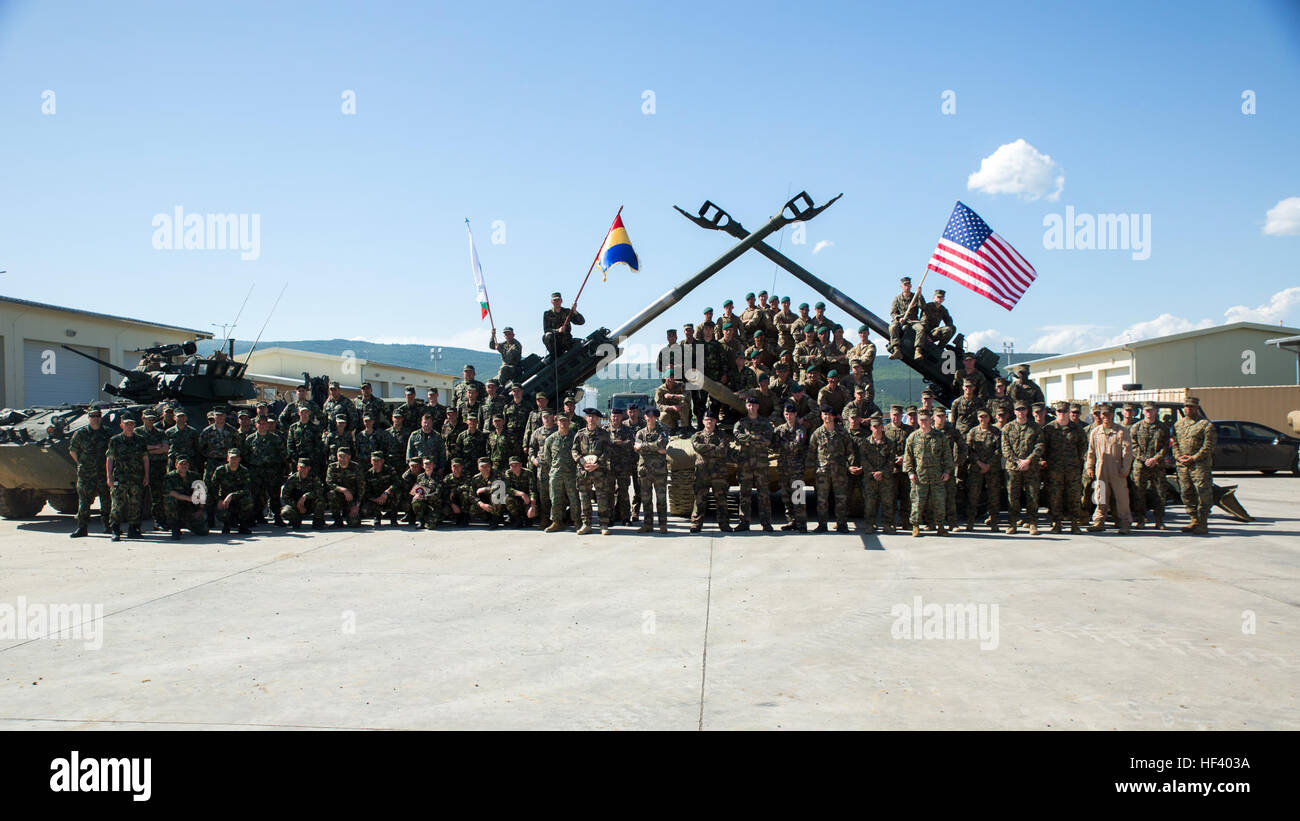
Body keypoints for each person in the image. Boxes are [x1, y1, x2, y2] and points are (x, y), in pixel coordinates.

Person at [1085, 404, 1135, 533]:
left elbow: (1128, 452)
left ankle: (1125, 523)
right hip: (1100, 468)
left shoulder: (1121, 431)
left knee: (1121, 497)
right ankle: (1099, 521)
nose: (1105, 417)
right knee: (1100, 495)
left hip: (1117, 468)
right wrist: (1089, 467)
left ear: (1113, 414)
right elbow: (1091, 452)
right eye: (1103, 414)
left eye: (1108, 414)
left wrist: (1125, 469)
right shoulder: (1096, 432)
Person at [902, 410, 953, 537]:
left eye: (926, 419)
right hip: (920, 477)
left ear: (931, 420)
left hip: (937, 476)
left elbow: (947, 455)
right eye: (921, 420)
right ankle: (915, 526)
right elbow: (908, 457)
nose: (923, 422)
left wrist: (947, 471)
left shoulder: (940, 436)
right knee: (917, 502)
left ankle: (940, 526)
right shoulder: (913, 437)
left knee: (939, 502)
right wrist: (910, 472)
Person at [1172, 396, 1216, 534]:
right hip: (1183, 466)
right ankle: (1193, 520)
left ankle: (1203, 522)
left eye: (1191, 406)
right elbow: (1174, 444)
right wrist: (1178, 456)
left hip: (1199, 466)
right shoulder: (1178, 425)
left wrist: (1194, 458)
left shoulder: (1205, 425)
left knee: (1203, 493)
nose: (1188, 409)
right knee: (1186, 492)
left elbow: (1208, 446)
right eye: (1186, 406)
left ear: (1197, 408)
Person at [1043, 401, 1087, 533]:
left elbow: (1083, 448)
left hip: (1072, 469)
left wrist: (1079, 463)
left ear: (1069, 412)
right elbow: (1043, 448)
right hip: (1054, 470)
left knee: (1074, 497)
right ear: (1056, 413)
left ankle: (1074, 524)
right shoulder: (1048, 429)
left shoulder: (1077, 429)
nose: (1062, 414)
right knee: (1055, 497)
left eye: (1064, 411)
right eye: (1059, 411)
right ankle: (1057, 523)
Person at [732, 395, 774, 531]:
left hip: (761, 463)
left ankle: (766, 522)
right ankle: (744, 522)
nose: (752, 407)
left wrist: (749, 440)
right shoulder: (740, 423)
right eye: (749, 405)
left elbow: (768, 440)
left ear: (758, 407)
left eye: (754, 405)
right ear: (746, 406)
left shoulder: (765, 422)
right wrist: (754, 437)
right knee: (744, 494)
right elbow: (738, 437)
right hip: (745, 464)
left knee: (764, 494)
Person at [69, 407, 112, 538]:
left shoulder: (107, 433)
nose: (96, 418)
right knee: (84, 501)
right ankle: (82, 528)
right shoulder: (80, 434)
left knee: (106, 501)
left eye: (98, 416)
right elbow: (73, 450)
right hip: (86, 474)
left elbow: (112, 451)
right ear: (88, 418)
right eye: (93, 416)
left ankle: (108, 526)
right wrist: (81, 463)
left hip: (103, 472)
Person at [1001, 400, 1043, 535]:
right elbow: (1005, 448)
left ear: (1027, 411)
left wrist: (1028, 460)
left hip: (1031, 468)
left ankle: (1033, 524)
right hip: (1013, 467)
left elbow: (1040, 446)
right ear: (1014, 412)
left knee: (1032, 496)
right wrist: (1017, 461)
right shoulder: (1007, 428)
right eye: (1018, 410)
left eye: (1023, 409)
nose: (1021, 412)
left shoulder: (1035, 428)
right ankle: (1012, 524)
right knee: (1012, 496)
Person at [106, 414, 149, 541]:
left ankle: (133, 529)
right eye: (127, 424)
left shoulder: (140, 440)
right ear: (121, 425)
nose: (129, 426)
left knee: (135, 504)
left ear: (134, 426)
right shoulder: (115, 440)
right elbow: (110, 458)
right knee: (117, 504)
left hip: (136, 477)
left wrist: (146, 475)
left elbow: (145, 458)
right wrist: (109, 476)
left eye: (131, 424)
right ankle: (115, 529)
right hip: (120, 477)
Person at [572, 407, 614, 535]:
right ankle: (586, 524)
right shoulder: (580, 434)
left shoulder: (604, 434)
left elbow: (608, 451)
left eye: (594, 417)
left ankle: (603, 524)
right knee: (584, 498)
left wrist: (598, 463)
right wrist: (583, 463)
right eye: (589, 416)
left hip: (599, 471)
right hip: (584, 471)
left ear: (597, 419)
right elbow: (574, 451)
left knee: (602, 497)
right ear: (586, 418)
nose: (591, 419)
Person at [808, 405, 851, 532]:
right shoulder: (817, 433)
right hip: (822, 472)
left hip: (839, 471)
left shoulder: (842, 432)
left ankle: (842, 524)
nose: (827, 417)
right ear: (822, 416)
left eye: (829, 415)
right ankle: (822, 524)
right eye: (825, 414)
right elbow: (811, 452)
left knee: (841, 499)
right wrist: (811, 470)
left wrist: (849, 466)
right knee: (822, 499)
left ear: (833, 416)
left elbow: (850, 451)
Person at [1129, 401, 1170, 529]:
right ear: (1143, 411)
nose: (1149, 412)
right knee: (1139, 493)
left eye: (1151, 410)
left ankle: (1159, 520)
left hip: (1157, 465)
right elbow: (1132, 445)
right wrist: (1145, 459)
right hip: (1140, 465)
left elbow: (1166, 446)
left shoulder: (1162, 427)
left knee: (1159, 492)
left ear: (1155, 411)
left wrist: (1155, 459)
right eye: (1146, 410)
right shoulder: (1136, 427)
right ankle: (1141, 519)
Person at [689, 410, 731, 533]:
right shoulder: (697, 436)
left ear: (715, 421)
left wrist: (706, 449)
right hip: (702, 473)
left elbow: (722, 451)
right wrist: (714, 448)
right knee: (699, 499)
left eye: (712, 420)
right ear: (703, 421)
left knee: (721, 499)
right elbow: (697, 446)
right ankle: (696, 524)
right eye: (707, 420)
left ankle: (724, 525)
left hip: (718, 472)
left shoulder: (722, 436)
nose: (709, 422)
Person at [771, 402, 808, 531]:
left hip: (796, 468)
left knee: (798, 497)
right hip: (783, 468)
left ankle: (802, 524)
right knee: (786, 497)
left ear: (796, 414)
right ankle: (792, 521)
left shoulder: (801, 430)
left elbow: (796, 445)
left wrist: (782, 443)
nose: (789, 416)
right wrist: (783, 444)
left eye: (791, 414)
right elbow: (773, 446)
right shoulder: (779, 429)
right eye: (786, 414)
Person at [633, 407, 669, 533]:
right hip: (645, 471)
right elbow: (636, 448)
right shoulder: (640, 433)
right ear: (645, 417)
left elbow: (661, 445)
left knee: (661, 499)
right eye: (649, 416)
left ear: (656, 418)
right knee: (646, 500)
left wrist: (643, 446)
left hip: (659, 471)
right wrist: (655, 448)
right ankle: (648, 524)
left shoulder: (662, 431)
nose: (651, 419)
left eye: (653, 416)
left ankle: (663, 525)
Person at [964, 408, 1002, 531]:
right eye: (980, 417)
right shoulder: (973, 432)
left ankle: (994, 521)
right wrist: (980, 463)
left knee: (994, 496)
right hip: (977, 469)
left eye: (985, 416)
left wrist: (988, 465)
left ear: (989, 418)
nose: (983, 419)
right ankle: (970, 522)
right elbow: (969, 450)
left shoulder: (996, 432)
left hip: (992, 469)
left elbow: (999, 450)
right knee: (973, 496)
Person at [542, 415, 580, 533]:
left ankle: (577, 522)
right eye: (561, 421)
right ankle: (557, 522)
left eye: (566, 421)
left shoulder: (575, 437)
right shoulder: (551, 439)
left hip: (571, 474)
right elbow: (547, 457)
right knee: (555, 498)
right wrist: (556, 467)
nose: (563, 423)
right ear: (556, 422)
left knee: (574, 498)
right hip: (556, 473)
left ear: (569, 422)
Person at [163, 456, 210, 539]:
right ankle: (175, 528)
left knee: (203, 531)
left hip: (190, 508)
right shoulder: (169, 477)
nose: (184, 466)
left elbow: (202, 492)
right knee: (169, 499)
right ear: (176, 465)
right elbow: (170, 492)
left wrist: (200, 509)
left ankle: (187, 523)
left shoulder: (194, 476)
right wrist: (188, 498)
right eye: (181, 464)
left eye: (186, 464)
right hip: (177, 507)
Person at [211, 448, 255, 535]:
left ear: (239, 459)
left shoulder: (244, 471)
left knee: (248, 500)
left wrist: (232, 495)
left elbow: (247, 489)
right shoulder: (220, 470)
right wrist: (218, 499)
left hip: (239, 498)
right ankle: (226, 525)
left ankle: (243, 525)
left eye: (236, 458)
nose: (234, 460)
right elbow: (213, 487)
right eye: (231, 458)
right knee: (212, 502)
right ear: (227, 458)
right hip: (224, 499)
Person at [280, 458, 326, 530]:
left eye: (305, 468)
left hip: (310, 504)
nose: (303, 470)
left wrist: (305, 496)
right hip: (296, 505)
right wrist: (298, 505)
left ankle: (318, 521)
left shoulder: (314, 478)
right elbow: (285, 496)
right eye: (301, 467)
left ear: (309, 468)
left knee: (321, 501)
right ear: (297, 467)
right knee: (285, 512)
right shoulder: (292, 479)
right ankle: (296, 520)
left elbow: (319, 492)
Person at [326, 447, 364, 528]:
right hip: (338, 496)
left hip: (352, 498)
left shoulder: (356, 467)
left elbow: (361, 487)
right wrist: (344, 490)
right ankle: (337, 520)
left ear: (349, 457)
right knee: (331, 494)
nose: (342, 459)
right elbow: (329, 482)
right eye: (340, 456)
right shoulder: (332, 467)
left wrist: (357, 505)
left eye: (345, 456)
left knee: (354, 524)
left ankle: (349, 515)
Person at [913, 289, 956, 360]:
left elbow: (949, 322)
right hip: (925, 332)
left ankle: (940, 348)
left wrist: (949, 327)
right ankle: (918, 351)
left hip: (934, 333)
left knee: (952, 328)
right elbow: (924, 322)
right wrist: (926, 335)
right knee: (947, 329)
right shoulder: (928, 306)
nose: (940, 299)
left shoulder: (943, 310)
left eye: (941, 298)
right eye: (938, 297)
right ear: (934, 297)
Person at [888, 276, 924, 359]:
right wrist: (898, 318)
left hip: (913, 320)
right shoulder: (897, 298)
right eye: (905, 285)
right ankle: (896, 349)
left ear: (911, 286)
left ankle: (918, 351)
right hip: (901, 319)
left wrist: (919, 295)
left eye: (908, 284)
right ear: (901, 286)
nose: (907, 286)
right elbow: (893, 313)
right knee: (892, 327)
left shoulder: (915, 297)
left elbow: (923, 307)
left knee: (921, 329)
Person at [362, 451, 401, 527]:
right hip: (376, 498)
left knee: (397, 492)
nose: (376, 463)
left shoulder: (390, 470)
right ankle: (377, 517)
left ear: (382, 461)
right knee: (365, 507)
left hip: (388, 496)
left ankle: (393, 519)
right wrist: (375, 499)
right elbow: (366, 490)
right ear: (371, 461)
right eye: (374, 460)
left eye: (378, 460)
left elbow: (397, 483)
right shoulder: (368, 474)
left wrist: (386, 492)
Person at [542, 291, 585, 356]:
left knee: (584, 345)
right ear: (551, 302)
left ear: (561, 301)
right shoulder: (547, 314)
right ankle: (554, 356)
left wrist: (574, 311)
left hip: (568, 340)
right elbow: (546, 330)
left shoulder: (567, 311)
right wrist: (557, 330)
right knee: (547, 336)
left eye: (558, 300)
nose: (556, 302)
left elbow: (581, 322)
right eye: (555, 300)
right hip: (556, 344)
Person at [409, 457, 444, 529]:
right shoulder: (420, 477)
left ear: (433, 465)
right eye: (426, 464)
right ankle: (421, 520)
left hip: (434, 504)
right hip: (423, 503)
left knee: (431, 526)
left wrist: (424, 496)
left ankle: (433, 519)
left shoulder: (438, 477)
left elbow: (438, 493)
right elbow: (417, 490)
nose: (428, 466)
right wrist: (416, 495)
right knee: (415, 500)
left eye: (430, 464)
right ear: (423, 466)